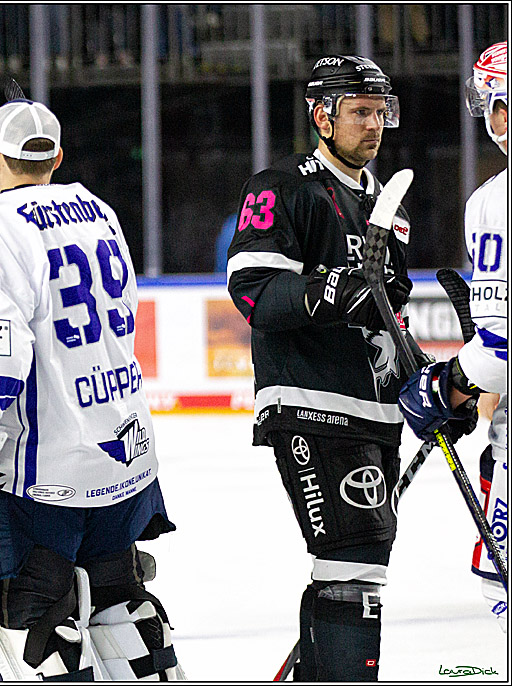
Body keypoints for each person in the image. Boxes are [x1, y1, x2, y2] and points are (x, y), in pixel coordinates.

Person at [0, 98, 184, 680]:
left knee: (36, 622)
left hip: (41, 477)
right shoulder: (97, 211)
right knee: (120, 606)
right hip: (123, 455)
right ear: (57, 156)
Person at [226, 56, 416, 681]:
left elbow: (386, 316)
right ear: (322, 116)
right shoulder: (283, 187)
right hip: (313, 404)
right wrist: (331, 288)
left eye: (380, 110)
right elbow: (255, 293)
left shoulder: (387, 207)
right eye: (360, 111)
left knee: (352, 567)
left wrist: (434, 384)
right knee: (354, 569)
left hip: (374, 414)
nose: (375, 123)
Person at [398, 41, 508, 633]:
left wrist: (448, 386)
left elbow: (503, 350)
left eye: (499, 104)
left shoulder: (495, 203)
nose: (492, 120)